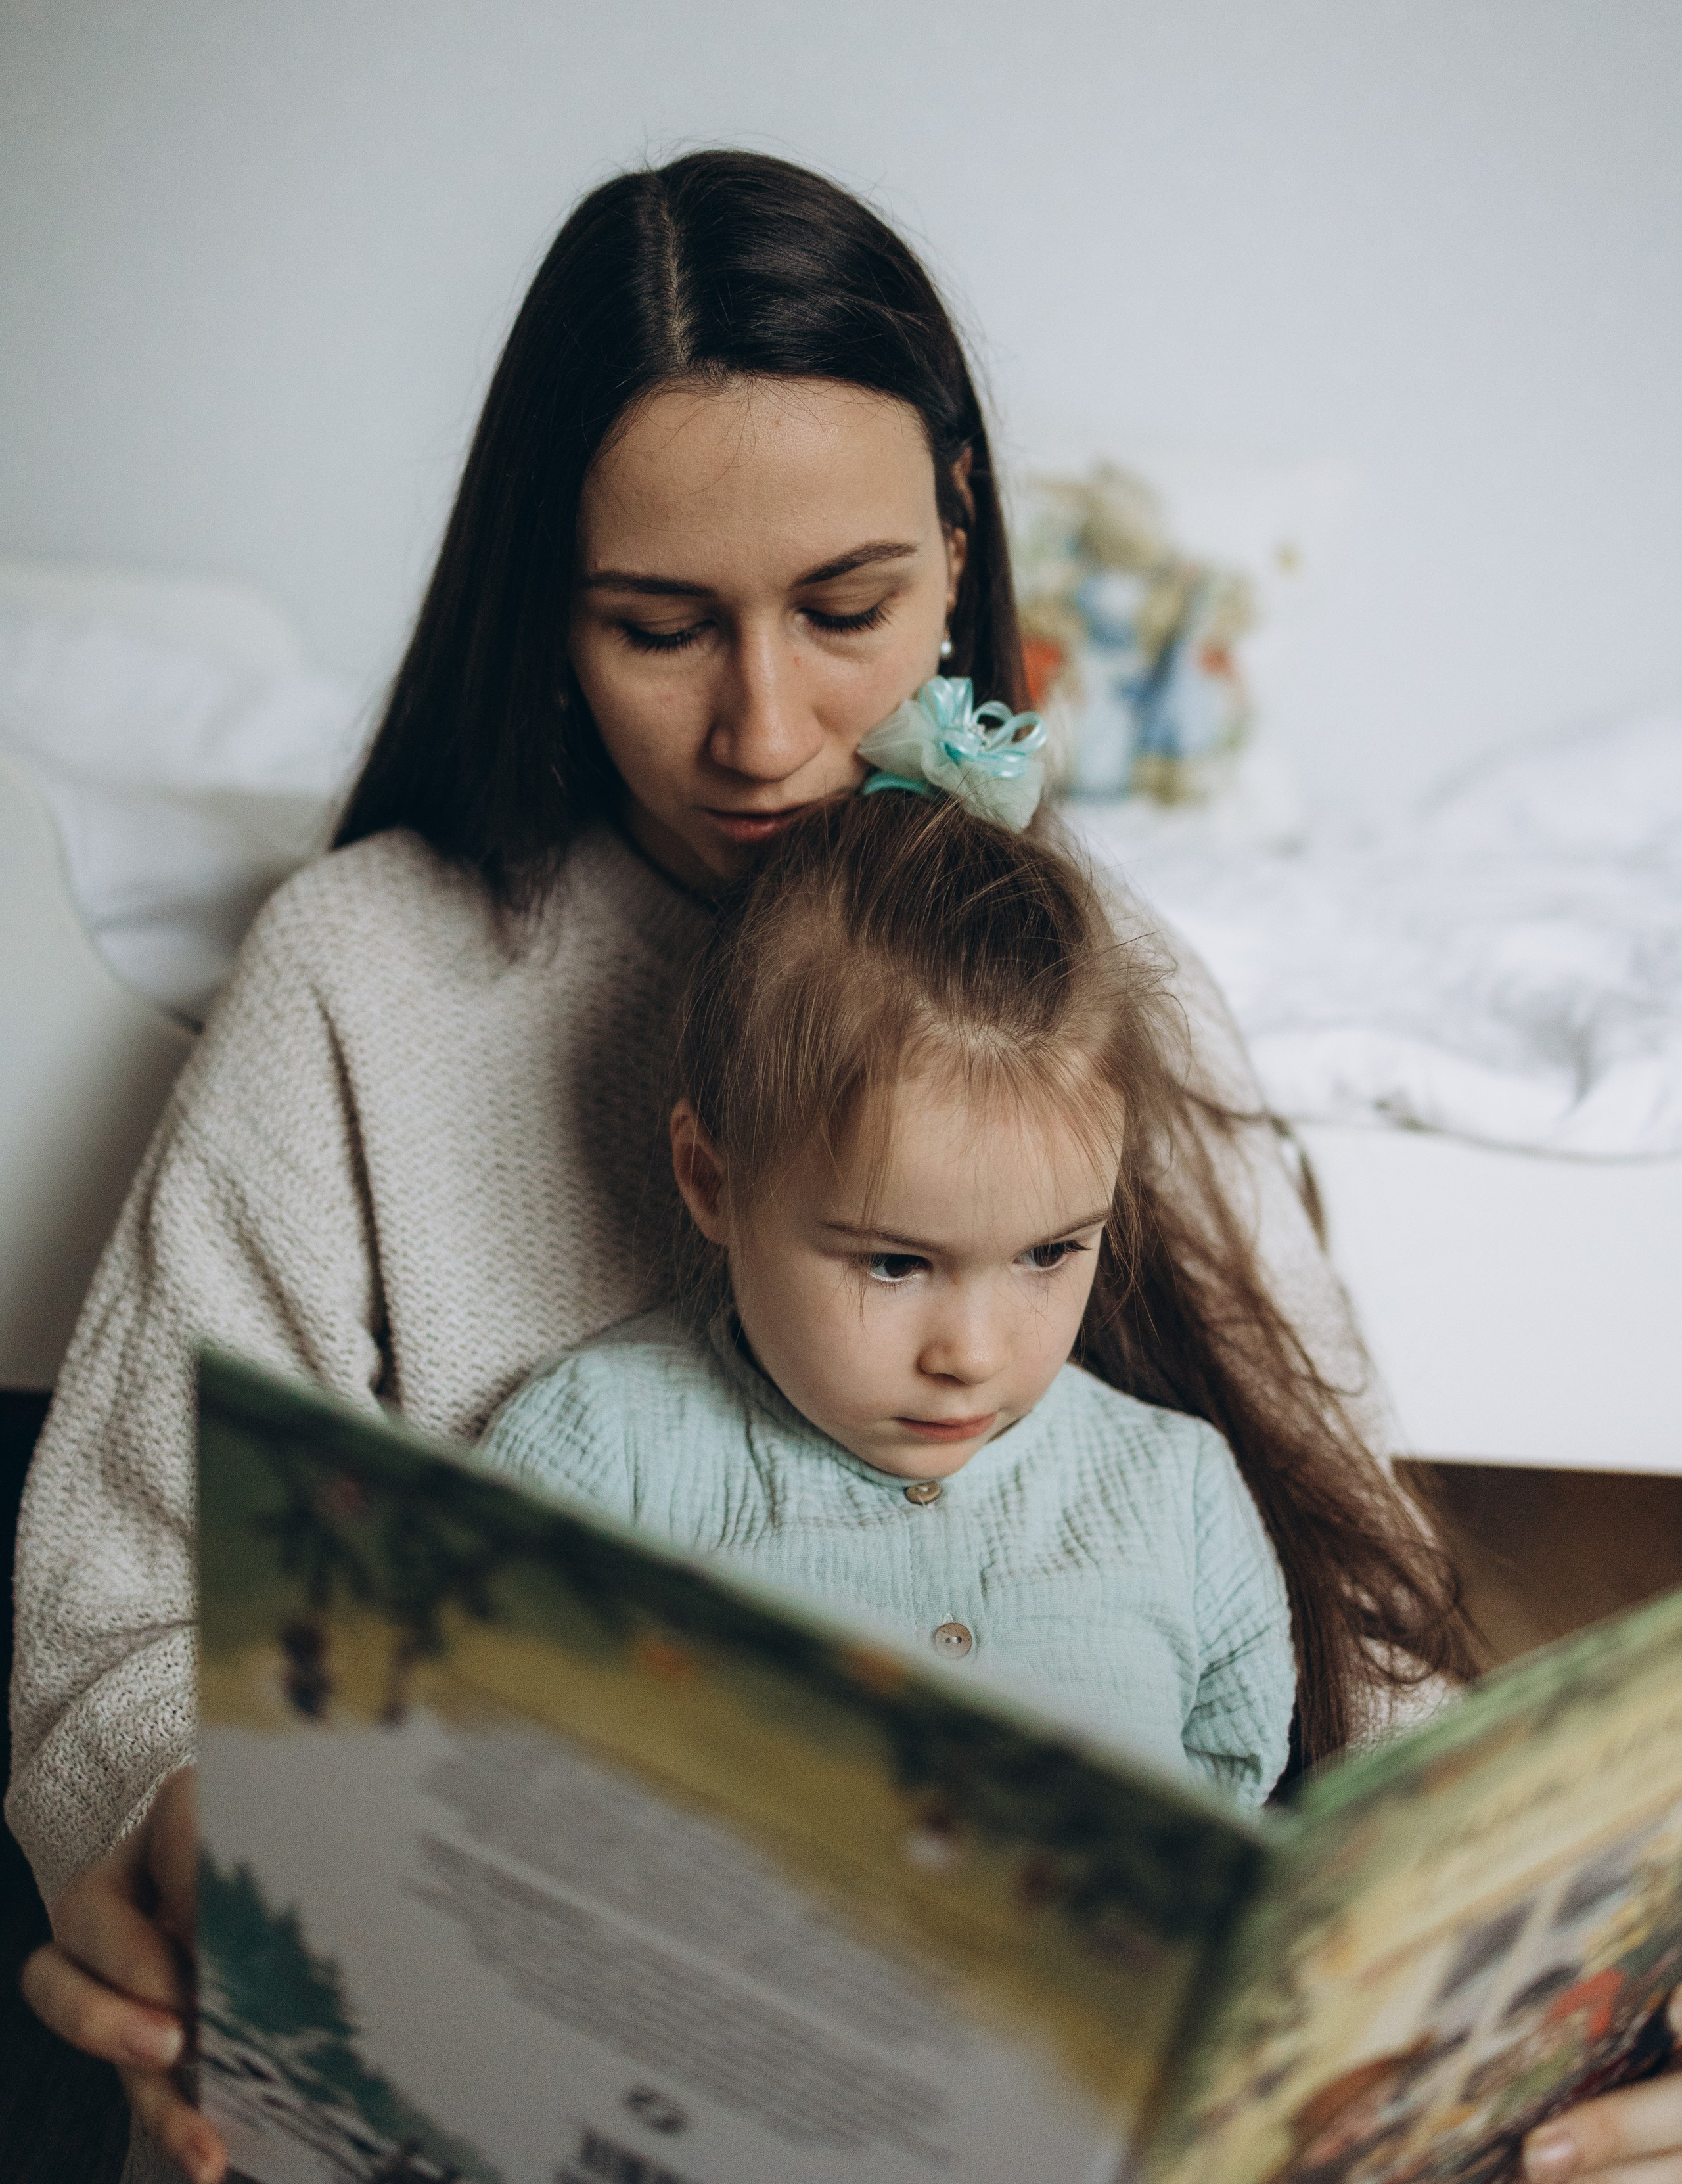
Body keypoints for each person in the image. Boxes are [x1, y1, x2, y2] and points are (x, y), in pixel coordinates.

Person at [8, 151, 1676, 2184]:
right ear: (546, 599)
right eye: (658, 628)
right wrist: (179, 1815)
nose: (768, 733)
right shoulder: (369, 979)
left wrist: (1563, 2009)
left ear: (963, 541)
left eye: (850, 609)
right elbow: (119, 1598)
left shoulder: (1110, 982)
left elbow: (1366, 1631)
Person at [483, 773, 1314, 1801]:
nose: (971, 1351)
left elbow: (1234, 1791)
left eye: (1050, 1253)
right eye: (895, 1263)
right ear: (713, 1179)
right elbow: (487, 1764)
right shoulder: (601, 1452)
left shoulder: (1176, 1492)